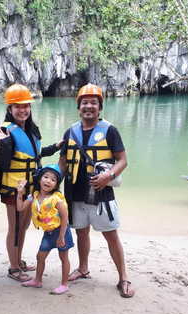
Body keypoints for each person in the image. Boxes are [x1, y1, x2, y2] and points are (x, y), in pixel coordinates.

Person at [57, 83, 135, 298]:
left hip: (102, 192)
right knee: (81, 231)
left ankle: (123, 277)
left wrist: (108, 176)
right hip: (75, 192)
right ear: (78, 107)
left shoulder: (110, 130)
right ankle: (83, 268)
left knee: (111, 235)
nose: (88, 106)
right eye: (84, 103)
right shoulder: (70, 131)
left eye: (93, 103)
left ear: (100, 107)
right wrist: (51, 185)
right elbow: (62, 163)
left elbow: (123, 160)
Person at [0, 84, 63, 282]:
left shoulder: (30, 129)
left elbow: (34, 155)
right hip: (15, 188)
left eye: (26, 106)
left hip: (30, 187)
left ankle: (19, 260)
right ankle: (13, 267)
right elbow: (4, 163)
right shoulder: (5, 131)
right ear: (9, 109)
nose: (22, 110)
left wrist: (56, 147)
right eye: (17, 106)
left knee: (23, 227)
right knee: (14, 228)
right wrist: (4, 144)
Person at [16, 164, 74, 295]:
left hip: (61, 232)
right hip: (48, 233)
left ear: (56, 185)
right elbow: (20, 207)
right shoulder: (34, 196)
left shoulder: (56, 199)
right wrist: (20, 192)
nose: (48, 181)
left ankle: (64, 284)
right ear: (39, 179)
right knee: (40, 257)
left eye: (53, 179)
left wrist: (61, 237)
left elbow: (65, 218)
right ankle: (38, 280)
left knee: (63, 257)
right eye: (46, 177)